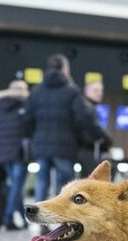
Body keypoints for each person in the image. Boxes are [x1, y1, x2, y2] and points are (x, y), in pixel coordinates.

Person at [24, 54, 106, 203]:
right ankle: (63, 221)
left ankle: (39, 222)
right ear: (65, 69)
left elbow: (27, 120)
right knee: (64, 186)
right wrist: (100, 136)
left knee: (42, 182)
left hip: (41, 145)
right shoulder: (71, 91)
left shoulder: (36, 91)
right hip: (65, 146)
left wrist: (35, 137)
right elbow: (83, 118)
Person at [0, 79, 30, 230]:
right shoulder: (24, 105)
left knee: (15, 186)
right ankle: (7, 219)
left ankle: (22, 218)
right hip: (18, 151)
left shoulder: (0, 105)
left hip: (4, 151)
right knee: (17, 186)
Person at [76, 80, 112, 176]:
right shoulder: (86, 107)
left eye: (101, 90)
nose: (99, 93)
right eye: (96, 90)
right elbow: (93, 128)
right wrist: (107, 140)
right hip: (84, 148)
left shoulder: (90, 107)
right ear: (87, 91)